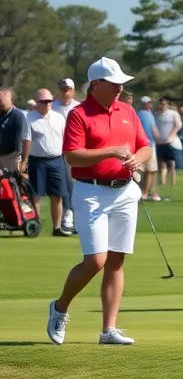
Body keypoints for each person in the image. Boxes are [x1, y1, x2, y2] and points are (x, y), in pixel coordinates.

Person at [46, 57, 153, 346]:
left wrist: (135, 159)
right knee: (95, 260)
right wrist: (111, 152)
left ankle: (109, 329)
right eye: (114, 83)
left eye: (121, 83)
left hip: (124, 191)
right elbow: (72, 155)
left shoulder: (128, 111)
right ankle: (60, 308)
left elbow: (145, 147)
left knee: (116, 261)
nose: (119, 87)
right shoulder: (80, 114)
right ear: (96, 85)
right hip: (90, 192)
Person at [24, 89, 73, 236]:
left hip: (57, 160)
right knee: (36, 195)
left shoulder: (58, 118)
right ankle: (36, 225)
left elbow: (66, 139)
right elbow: (27, 140)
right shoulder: (30, 119)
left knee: (57, 195)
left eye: (49, 101)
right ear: (37, 102)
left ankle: (57, 227)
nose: (46, 104)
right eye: (43, 102)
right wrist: (24, 159)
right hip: (37, 160)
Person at [51, 78, 81, 232]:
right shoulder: (52, 107)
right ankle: (68, 215)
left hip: (77, 151)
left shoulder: (78, 107)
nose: (65, 92)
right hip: (58, 152)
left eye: (68, 89)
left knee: (78, 185)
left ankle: (78, 217)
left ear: (73, 90)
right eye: (63, 89)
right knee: (66, 185)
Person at [153, 96, 183, 189]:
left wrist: (171, 136)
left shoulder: (173, 114)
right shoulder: (157, 114)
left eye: (164, 104)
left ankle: (173, 183)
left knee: (171, 163)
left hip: (171, 142)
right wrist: (157, 137)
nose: (162, 106)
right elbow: (154, 126)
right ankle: (163, 183)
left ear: (168, 104)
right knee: (162, 164)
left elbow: (178, 125)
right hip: (160, 142)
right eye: (161, 104)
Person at [0, 87, 30, 174]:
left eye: (4, 97)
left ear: (11, 100)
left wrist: (24, 161)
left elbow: (26, 139)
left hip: (12, 157)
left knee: (13, 183)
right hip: (1, 156)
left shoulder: (18, 116)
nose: (1, 100)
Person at [135, 97, 160, 201]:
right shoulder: (140, 114)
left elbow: (154, 129)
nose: (149, 104)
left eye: (150, 102)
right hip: (144, 145)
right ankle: (144, 192)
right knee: (144, 170)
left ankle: (148, 191)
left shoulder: (150, 114)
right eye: (147, 103)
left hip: (151, 144)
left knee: (151, 170)